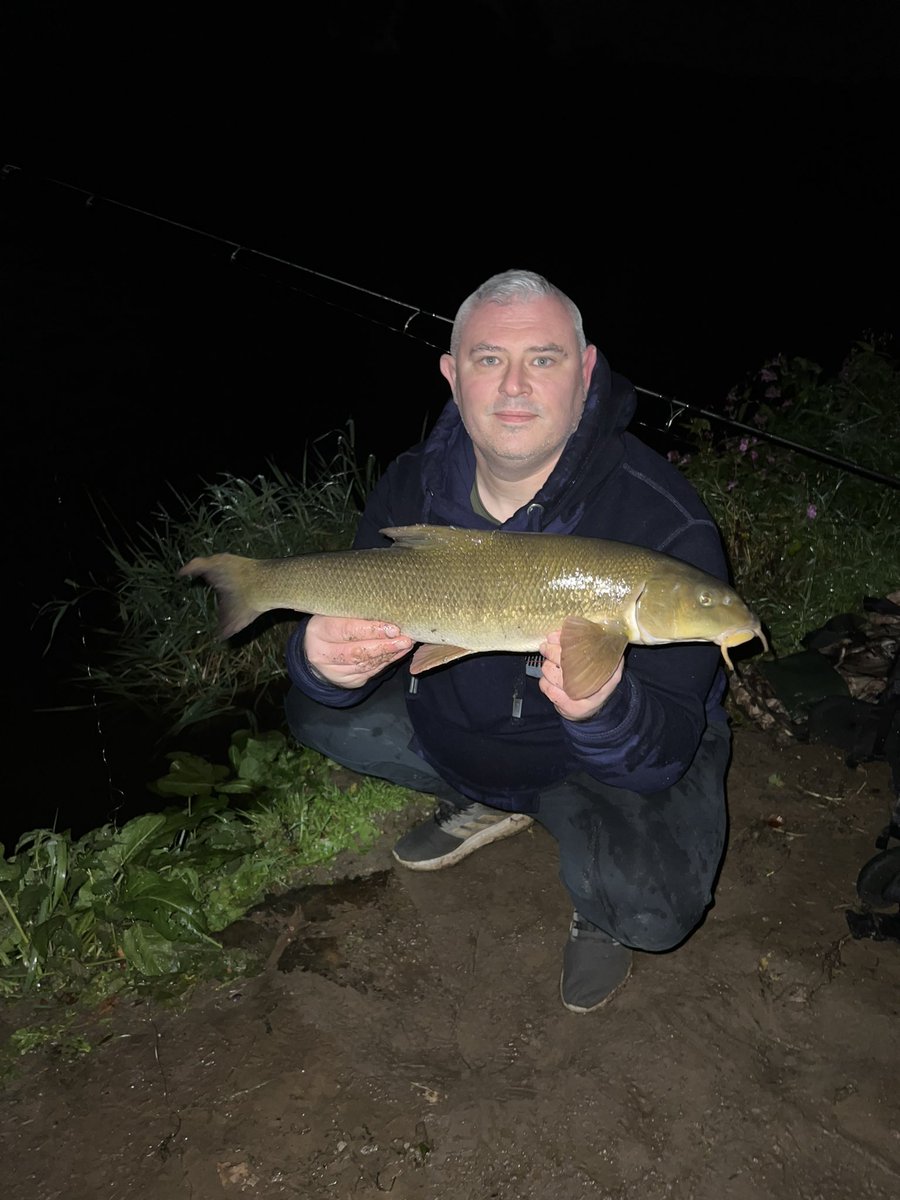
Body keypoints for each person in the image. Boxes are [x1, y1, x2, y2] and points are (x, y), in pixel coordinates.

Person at [284, 269, 733, 1014]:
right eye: (490, 359)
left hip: (598, 759)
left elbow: (663, 750)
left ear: (586, 371)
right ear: (452, 374)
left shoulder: (667, 525)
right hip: (468, 722)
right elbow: (356, 615)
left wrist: (604, 710)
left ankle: (588, 861)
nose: (515, 385)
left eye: (545, 359)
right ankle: (490, 796)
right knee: (318, 709)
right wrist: (322, 662)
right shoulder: (410, 485)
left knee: (650, 909)